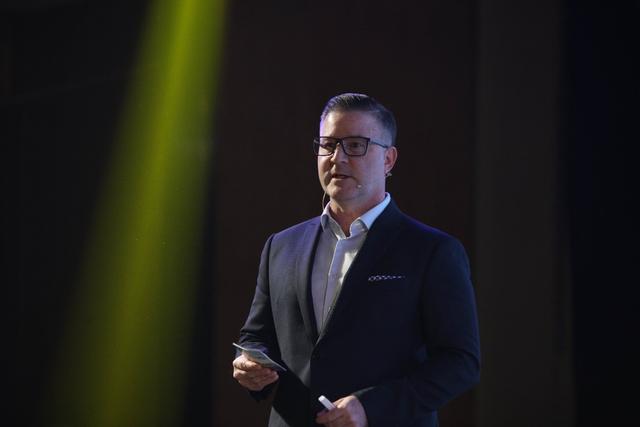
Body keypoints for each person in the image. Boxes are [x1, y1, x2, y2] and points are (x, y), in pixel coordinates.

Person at [232, 93, 480, 427]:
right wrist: (249, 364)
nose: (338, 157)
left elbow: (461, 363)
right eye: (328, 145)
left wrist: (371, 407)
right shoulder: (282, 245)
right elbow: (256, 337)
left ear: (388, 160)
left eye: (355, 145)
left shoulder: (432, 251)